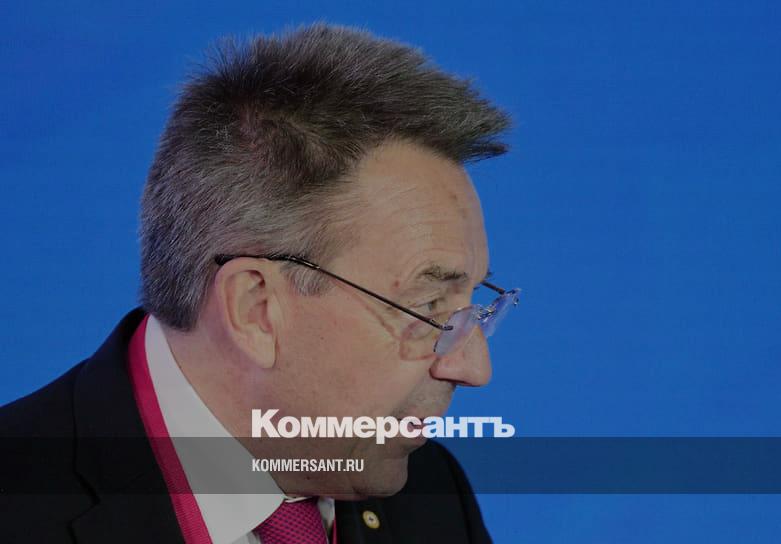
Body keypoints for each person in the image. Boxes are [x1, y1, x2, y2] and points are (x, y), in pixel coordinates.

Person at [0, 22, 518, 544]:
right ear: (256, 309)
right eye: (429, 306)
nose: (475, 369)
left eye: (475, 304)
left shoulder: (432, 495)